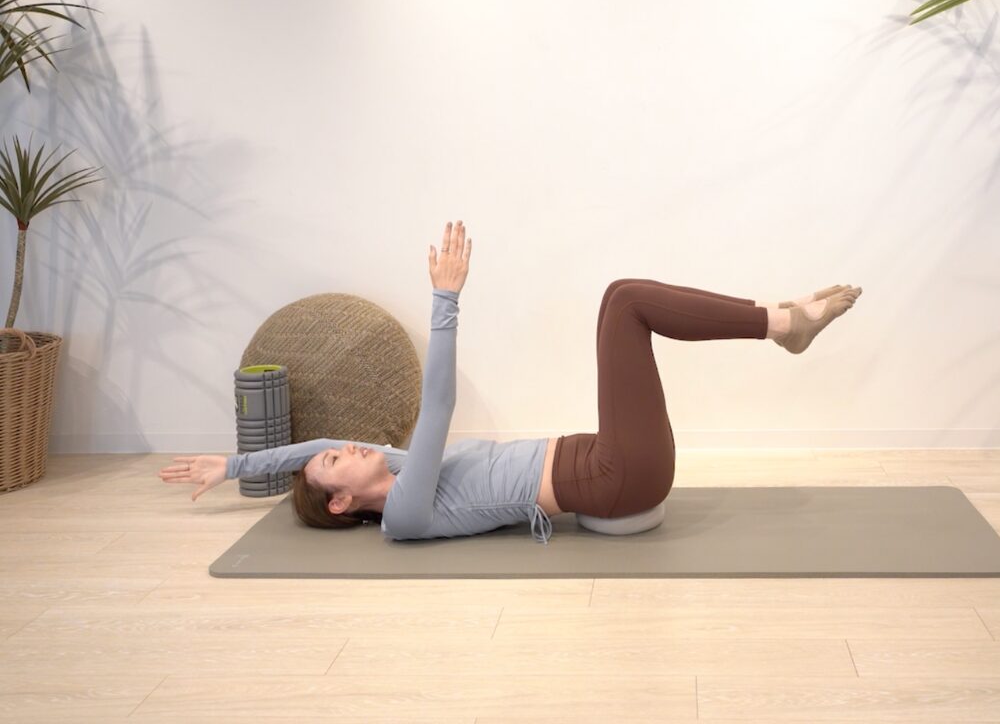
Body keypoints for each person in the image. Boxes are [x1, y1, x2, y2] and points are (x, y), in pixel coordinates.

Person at [159, 219, 862, 545]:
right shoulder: (404, 513)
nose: (342, 445)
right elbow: (439, 403)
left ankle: (780, 319)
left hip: (605, 460)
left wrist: (233, 466)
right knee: (626, 304)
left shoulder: (397, 473)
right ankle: (782, 323)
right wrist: (445, 299)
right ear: (342, 503)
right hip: (618, 476)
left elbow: (309, 449)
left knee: (619, 296)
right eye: (336, 461)